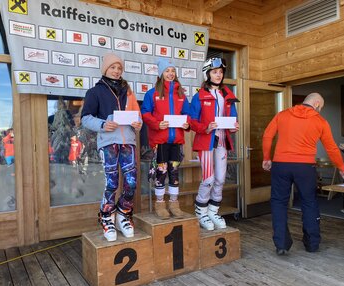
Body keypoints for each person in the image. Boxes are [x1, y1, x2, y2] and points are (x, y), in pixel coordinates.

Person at [262, 92, 344, 255]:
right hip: (305, 167)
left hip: (281, 165)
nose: (320, 110)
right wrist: (342, 167)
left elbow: (267, 135)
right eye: (321, 107)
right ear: (316, 104)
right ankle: (312, 244)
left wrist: (267, 158)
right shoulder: (320, 121)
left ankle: (281, 244)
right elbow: (331, 147)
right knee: (309, 202)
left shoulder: (282, 115)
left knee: (279, 202)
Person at [81, 53, 142, 242]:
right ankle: (107, 216)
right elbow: (85, 118)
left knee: (131, 182)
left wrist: (138, 123)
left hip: (128, 142)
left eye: (119, 68)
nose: (116, 71)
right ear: (105, 69)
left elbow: (137, 115)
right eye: (113, 68)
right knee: (112, 183)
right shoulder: (95, 92)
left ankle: (124, 212)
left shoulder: (128, 91)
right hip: (108, 142)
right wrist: (102, 124)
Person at [189, 57, 240, 230]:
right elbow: (191, 121)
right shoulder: (200, 96)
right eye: (214, 72)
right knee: (209, 178)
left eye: (220, 72)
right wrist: (206, 127)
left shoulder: (228, 95)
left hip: (222, 141)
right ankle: (201, 211)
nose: (218, 75)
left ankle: (213, 210)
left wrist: (234, 126)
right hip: (206, 141)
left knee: (220, 179)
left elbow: (233, 119)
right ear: (207, 74)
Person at [141, 58, 190, 219]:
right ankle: (160, 204)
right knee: (161, 173)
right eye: (167, 71)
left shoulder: (181, 94)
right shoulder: (152, 93)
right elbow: (145, 113)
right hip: (160, 142)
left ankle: (174, 204)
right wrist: (157, 124)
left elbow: (188, 114)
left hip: (176, 141)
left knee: (174, 173)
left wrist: (186, 123)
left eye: (173, 71)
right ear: (161, 73)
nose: (170, 74)